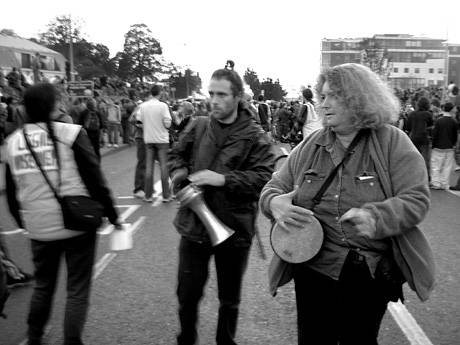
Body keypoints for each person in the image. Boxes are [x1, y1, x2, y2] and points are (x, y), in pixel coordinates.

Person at [259, 63, 434, 345]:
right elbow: (273, 186)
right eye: (322, 96)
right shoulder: (311, 144)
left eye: (333, 96)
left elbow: (416, 199)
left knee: (359, 340)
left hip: (366, 271)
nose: (323, 104)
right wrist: (273, 203)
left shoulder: (392, 142)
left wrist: (377, 217)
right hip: (313, 267)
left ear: (357, 99)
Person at [3, 83, 122, 345]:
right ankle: (72, 341)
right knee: (77, 288)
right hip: (76, 222)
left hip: (39, 226)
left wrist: (24, 222)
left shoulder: (12, 143)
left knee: (44, 285)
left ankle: (35, 336)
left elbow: (12, 193)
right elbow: (95, 179)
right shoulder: (70, 133)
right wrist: (114, 216)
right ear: (53, 105)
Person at [168, 65, 274, 345]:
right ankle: (186, 338)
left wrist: (222, 179)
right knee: (187, 295)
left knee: (229, 299)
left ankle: (225, 341)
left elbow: (264, 178)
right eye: (211, 93)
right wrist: (179, 176)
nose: (213, 100)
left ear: (237, 96)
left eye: (222, 94)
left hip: (234, 227)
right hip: (194, 225)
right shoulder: (199, 124)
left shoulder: (255, 135)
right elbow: (176, 154)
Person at [138, 85, 172, 203]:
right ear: (160, 93)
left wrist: (147, 127)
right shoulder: (163, 106)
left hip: (148, 138)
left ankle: (148, 195)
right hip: (162, 139)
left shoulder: (143, 106)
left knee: (149, 167)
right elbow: (167, 123)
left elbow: (139, 122)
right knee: (163, 167)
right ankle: (166, 195)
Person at [430, 102, 458, 190]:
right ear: (451, 109)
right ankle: (444, 183)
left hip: (438, 146)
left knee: (435, 166)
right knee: (447, 166)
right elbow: (455, 135)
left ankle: (436, 183)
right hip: (449, 147)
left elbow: (435, 134)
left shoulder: (439, 120)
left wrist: (433, 145)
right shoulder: (454, 121)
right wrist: (453, 144)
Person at [405, 97, 433, 174]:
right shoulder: (428, 114)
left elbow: (408, 128)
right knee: (425, 159)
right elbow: (431, 126)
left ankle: (413, 175)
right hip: (424, 138)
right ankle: (426, 176)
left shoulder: (411, 114)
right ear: (427, 105)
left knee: (414, 158)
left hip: (413, 138)